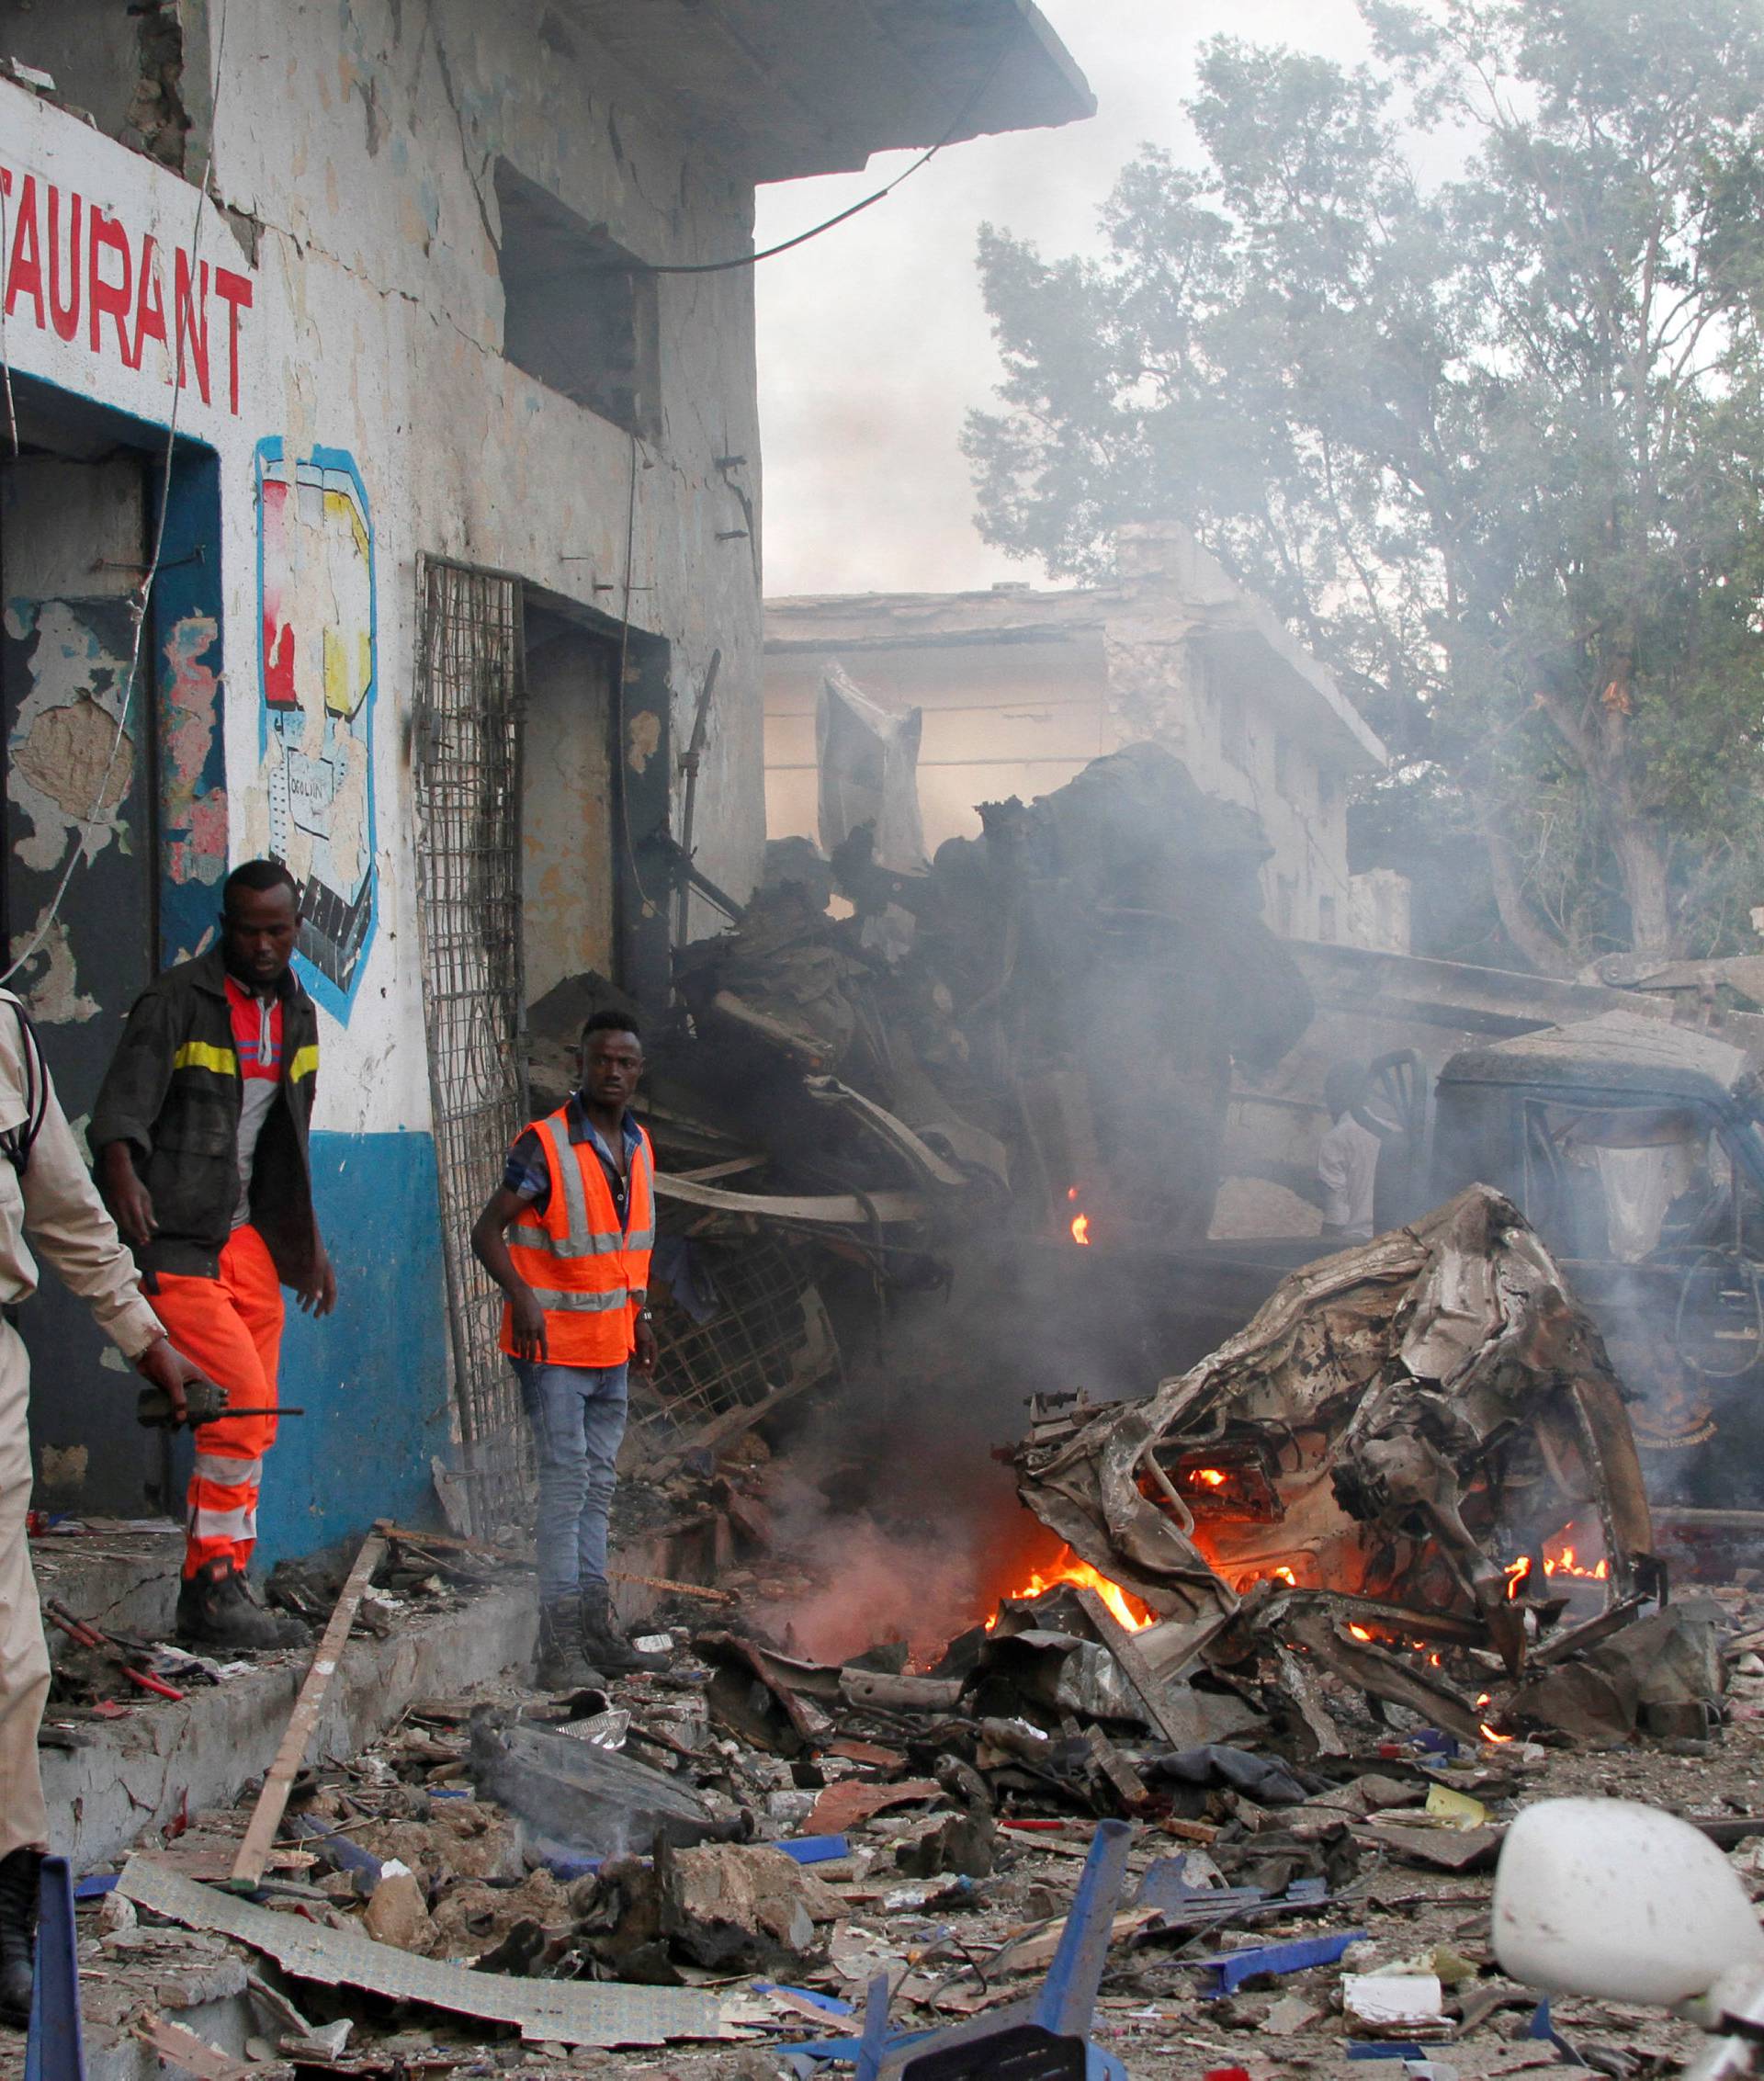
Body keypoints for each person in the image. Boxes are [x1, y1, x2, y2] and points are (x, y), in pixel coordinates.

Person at [0, 993, 207, 2024]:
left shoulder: (4, 1042)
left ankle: (5, 1897)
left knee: (9, 1661)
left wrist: (147, 1339)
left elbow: (72, 1214)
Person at [92, 859, 336, 1651]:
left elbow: (286, 1142)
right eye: (248, 929)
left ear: (297, 929)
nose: (264, 945)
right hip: (177, 1235)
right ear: (225, 926)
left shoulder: (298, 1013)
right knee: (232, 1406)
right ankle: (210, 1589)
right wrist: (125, 1175)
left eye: (279, 929)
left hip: (244, 1238)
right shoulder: (175, 1001)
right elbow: (118, 1112)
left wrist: (309, 1246)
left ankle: (230, 1572)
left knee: (256, 1413)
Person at [471, 1010, 667, 1688]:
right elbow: (486, 1231)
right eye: (601, 1060)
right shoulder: (545, 1144)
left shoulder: (638, 1146)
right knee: (566, 1486)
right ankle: (559, 1649)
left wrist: (638, 1315)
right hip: (552, 1348)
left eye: (626, 1062)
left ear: (638, 1071)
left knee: (599, 1486)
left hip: (610, 1346)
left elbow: (627, 1249)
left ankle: (594, 1628)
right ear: (580, 1065)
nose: (613, 1071)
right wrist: (522, 1297)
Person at [1317, 1061, 1382, 1241]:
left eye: (1329, 1093)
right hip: (1390, 1239)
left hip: (1353, 1243)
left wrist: (1318, 1256)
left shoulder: (1335, 1139)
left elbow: (1336, 1215)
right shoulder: (1391, 1131)